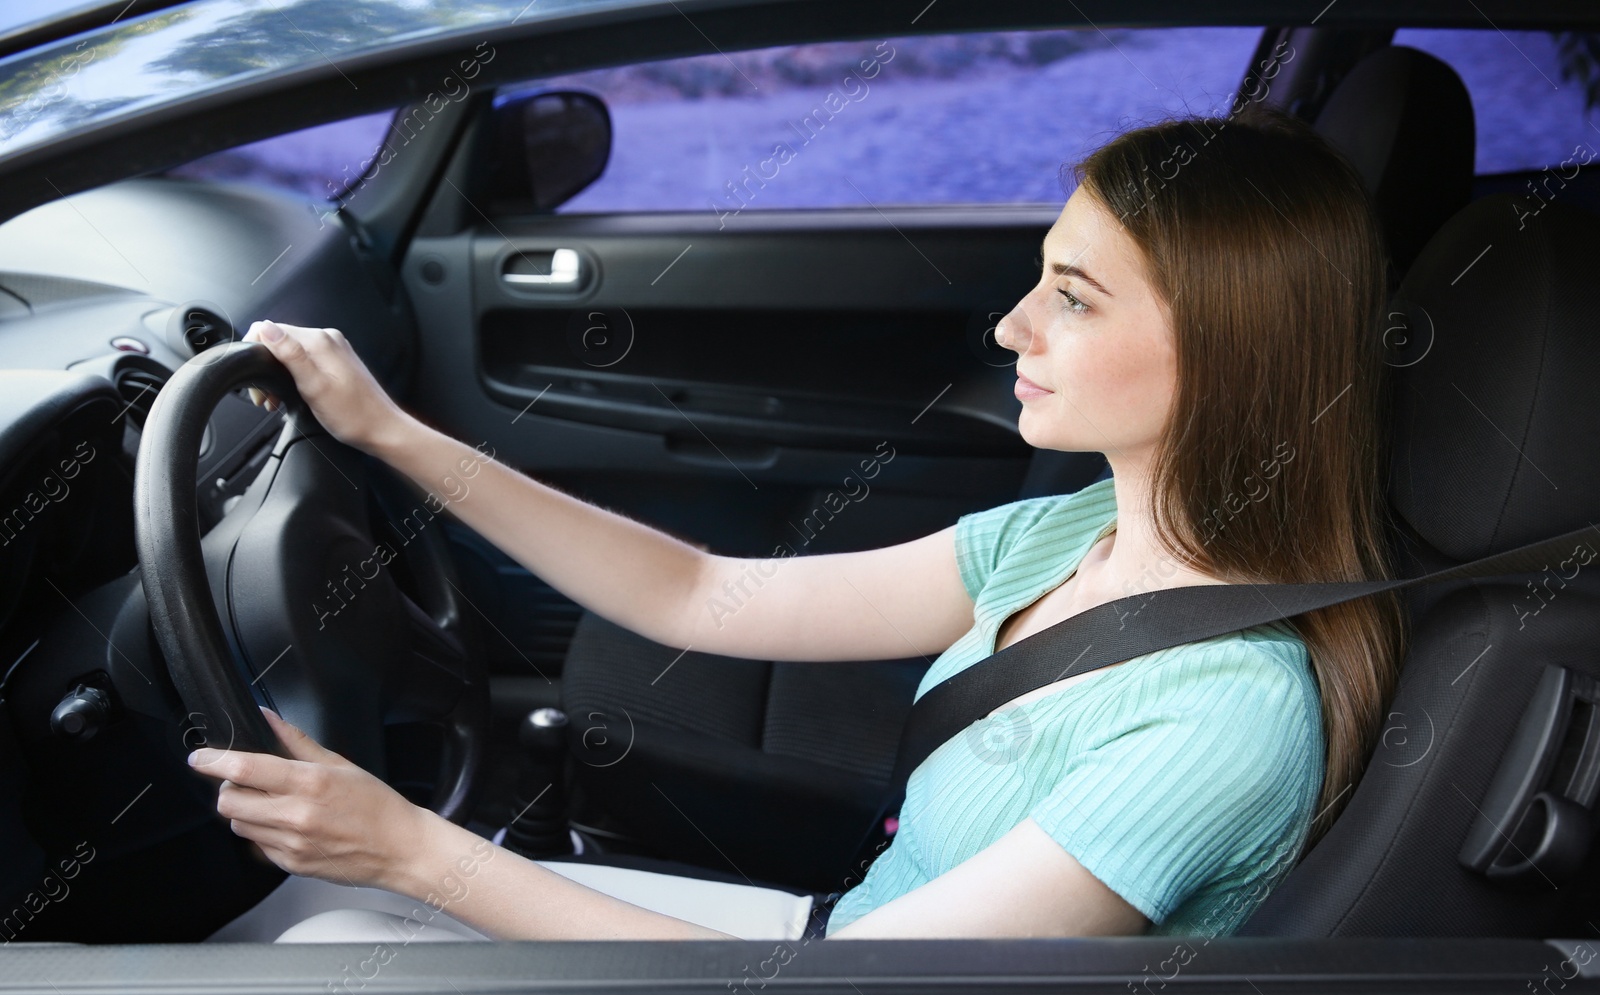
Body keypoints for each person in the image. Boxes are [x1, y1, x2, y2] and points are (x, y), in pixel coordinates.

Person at [189, 104, 1407, 943]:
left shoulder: (1224, 720)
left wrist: (408, 847)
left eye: (1072, 299)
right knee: (302, 921)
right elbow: (693, 594)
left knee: (333, 933)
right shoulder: (1066, 536)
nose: (1010, 329)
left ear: (1229, 355)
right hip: (839, 948)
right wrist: (395, 434)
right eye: (1039, 275)